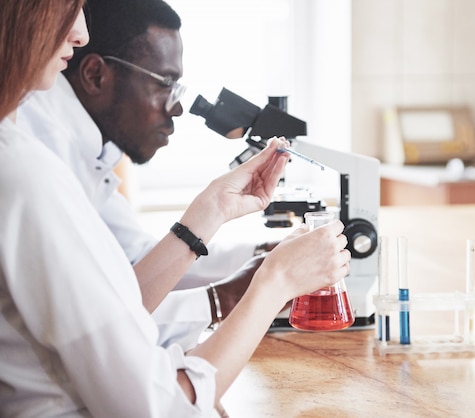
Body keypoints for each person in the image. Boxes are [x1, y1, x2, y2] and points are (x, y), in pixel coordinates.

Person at [0, 0, 351, 415]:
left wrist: (213, 209)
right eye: (69, 6)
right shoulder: (28, 170)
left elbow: (112, 305)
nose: (81, 32)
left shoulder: (22, 152)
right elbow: (160, 406)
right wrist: (275, 283)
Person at [17, 0, 279, 343]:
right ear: (95, 75)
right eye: (165, 83)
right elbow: (96, 323)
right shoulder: (40, 152)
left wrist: (262, 254)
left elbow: (139, 258)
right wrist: (232, 296)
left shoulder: (86, 147)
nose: (180, 108)